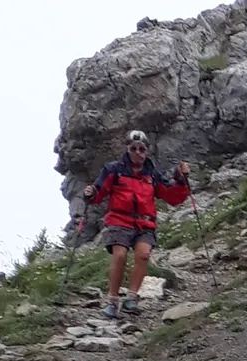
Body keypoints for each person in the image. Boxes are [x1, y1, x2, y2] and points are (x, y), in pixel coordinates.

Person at [79, 130, 191, 318]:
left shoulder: (152, 174)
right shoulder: (114, 170)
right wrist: (90, 193)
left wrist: (181, 179)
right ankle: (112, 300)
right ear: (128, 149)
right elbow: (99, 191)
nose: (138, 152)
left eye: (142, 149)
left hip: (144, 222)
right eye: (134, 149)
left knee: (143, 255)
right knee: (120, 255)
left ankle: (131, 298)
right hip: (119, 220)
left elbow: (171, 195)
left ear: (146, 151)